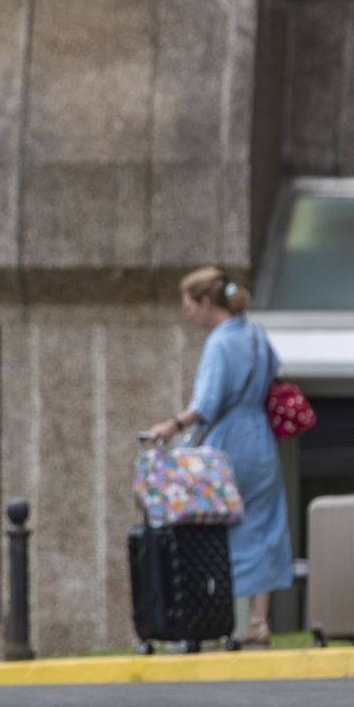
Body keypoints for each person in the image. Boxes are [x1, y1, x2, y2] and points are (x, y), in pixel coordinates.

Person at [144, 268, 294, 647]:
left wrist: (170, 425)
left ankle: (223, 617)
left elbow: (206, 404)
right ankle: (260, 622)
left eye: (189, 306)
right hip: (262, 439)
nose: (187, 314)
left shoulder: (220, 343)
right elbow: (275, 373)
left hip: (228, 442)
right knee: (265, 524)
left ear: (207, 303)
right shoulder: (256, 334)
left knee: (221, 527)